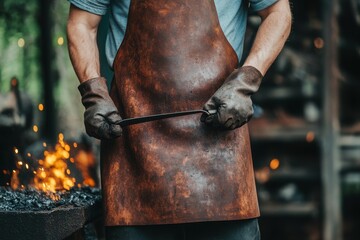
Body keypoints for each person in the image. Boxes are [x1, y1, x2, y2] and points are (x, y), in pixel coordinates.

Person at [67, 0, 291, 239]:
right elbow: (82, 23)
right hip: (133, 156)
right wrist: (93, 93)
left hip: (221, 154)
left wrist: (247, 80)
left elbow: (278, 12)